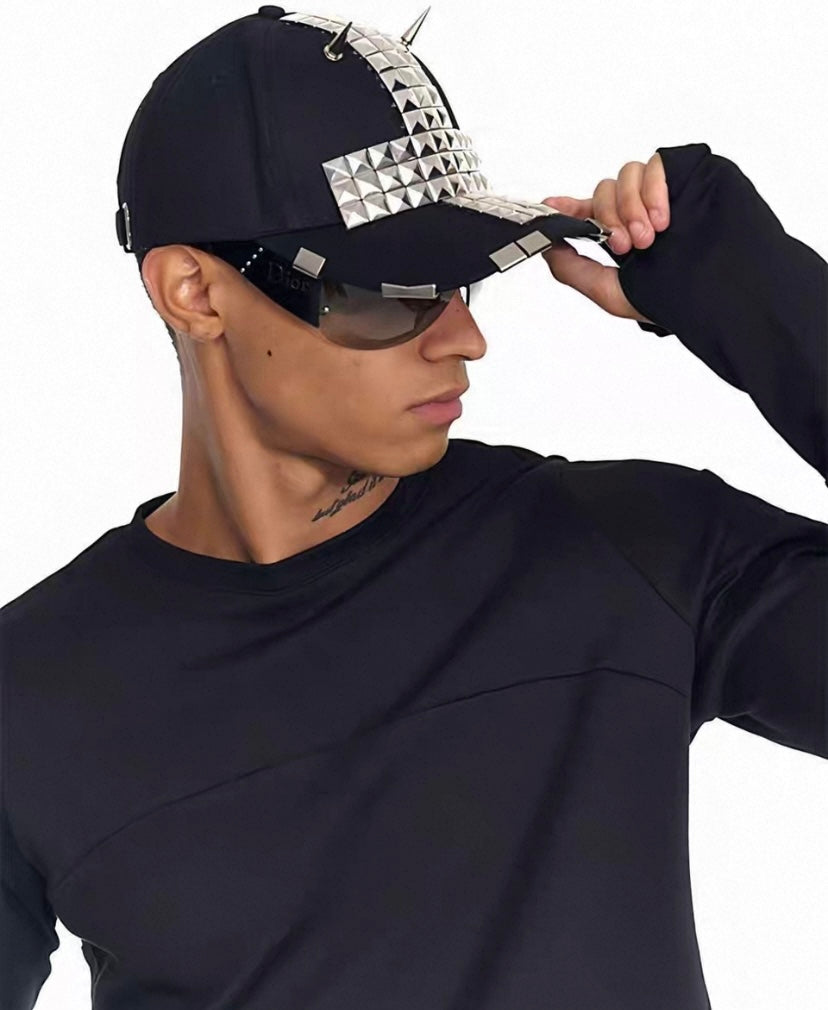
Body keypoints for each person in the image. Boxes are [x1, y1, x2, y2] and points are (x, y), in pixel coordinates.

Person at [2, 7, 825, 1010]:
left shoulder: (631, 552)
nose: (464, 339)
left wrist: (762, 301)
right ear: (195, 293)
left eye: (465, 280)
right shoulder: (31, 695)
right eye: (391, 291)